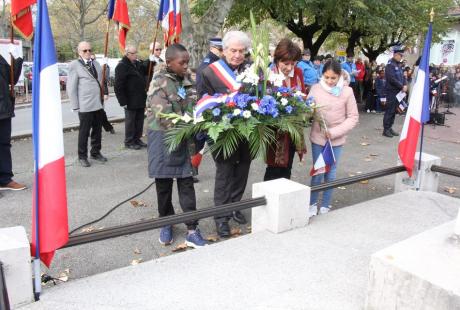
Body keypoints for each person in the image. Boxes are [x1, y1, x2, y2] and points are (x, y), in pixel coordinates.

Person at [146, 43, 206, 248]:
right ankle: (166, 223)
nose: (186, 66)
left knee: (186, 183)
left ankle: (191, 228)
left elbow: (195, 105)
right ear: (169, 62)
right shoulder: (159, 82)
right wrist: (192, 122)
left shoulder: (187, 80)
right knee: (163, 185)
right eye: (182, 63)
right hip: (163, 140)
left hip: (185, 138)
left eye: (188, 62)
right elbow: (163, 115)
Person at [200, 30, 252, 237]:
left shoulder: (252, 69)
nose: (237, 54)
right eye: (233, 50)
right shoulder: (209, 71)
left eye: (241, 51)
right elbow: (203, 103)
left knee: (242, 172)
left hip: (247, 132)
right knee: (224, 175)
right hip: (222, 134)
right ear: (224, 50)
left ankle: (234, 205)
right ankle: (221, 217)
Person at [308, 60, 359, 216]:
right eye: (326, 77)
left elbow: (353, 117)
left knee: (330, 173)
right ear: (322, 75)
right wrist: (308, 111)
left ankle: (325, 204)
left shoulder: (347, 91)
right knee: (318, 172)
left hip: (335, 140)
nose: (330, 81)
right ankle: (312, 203)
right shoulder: (315, 89)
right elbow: (308, 110)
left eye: (333, 78)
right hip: (318, 137)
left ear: (340, 76)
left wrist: (335, 131)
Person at [264, 38, 306, 181]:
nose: (289, 67)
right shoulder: (268, 74)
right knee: (274, 167)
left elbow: (303, 95)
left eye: (292, 63)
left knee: (288, 165)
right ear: (277, 60)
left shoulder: (298, 72)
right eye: (285, 63)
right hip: (275, 130)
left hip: (293, 129)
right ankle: (268, 199)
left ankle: (284, 198)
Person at [67, 41, 108, 167]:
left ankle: (95, 152)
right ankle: (82, 156)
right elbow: (71, 87)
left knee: (97, 130)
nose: (88, 52)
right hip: (85, 104)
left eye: (90, 50)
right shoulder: (74, 65)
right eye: (85, 50)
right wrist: (75, 105)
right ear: (79, 52)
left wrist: (104, 93)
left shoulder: (96, 63)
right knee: (84, 132)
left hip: (97, 103)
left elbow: (101, 81)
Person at [193, 37, 223, 183]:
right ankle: (191, 170)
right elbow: (202, 90)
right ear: (216, 48)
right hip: (208, 109)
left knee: (201, 141)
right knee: (200, 141)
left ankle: (191, 170)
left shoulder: (216, 63)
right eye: (223, 50)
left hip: (213, 109)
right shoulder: (208, 65)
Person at [0, 51, 26, 191]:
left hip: (3, 109)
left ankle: (5, 179)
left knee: (4, 145)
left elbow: (12, 79)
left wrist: (17, 58)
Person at [114, 45, 148, 150]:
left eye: (136, 52)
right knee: (130, 121)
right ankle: (129, 141)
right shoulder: (122, 65)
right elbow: (118, 85)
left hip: (140, 98)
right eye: (133, 53)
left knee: (139, 120)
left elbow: (147, 69)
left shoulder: (137, 64)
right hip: (129, 99)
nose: (135, 55)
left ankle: (137, 139)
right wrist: (122, 101)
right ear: (127, 54)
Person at [383, 46, 407, 138]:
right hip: (391, 91)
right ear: (395, 54)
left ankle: (390, 127)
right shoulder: (390, 65)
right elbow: (391, 79)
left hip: (398, 92)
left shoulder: (399, 65)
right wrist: (401, 86)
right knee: (389, 111)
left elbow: (403, 76)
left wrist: (404, 84)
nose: (401, 57)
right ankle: (386, 129)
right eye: (400, 55)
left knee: (394, 111)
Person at [91, 53, 115, 135]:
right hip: (89, 95)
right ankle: (95, 130)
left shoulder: (98, 67)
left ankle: (108, 127)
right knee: (92, 114)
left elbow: (103, 80)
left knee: (100, 112)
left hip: (99, 94)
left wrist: (105, 93)